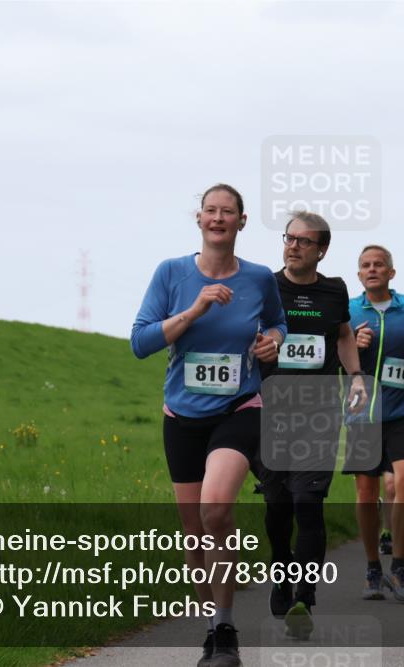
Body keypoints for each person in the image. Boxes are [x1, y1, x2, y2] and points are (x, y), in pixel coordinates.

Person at [131, 184, 287, 667]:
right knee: (195, 530)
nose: (218, 218)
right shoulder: (171, 273)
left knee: (216, 509)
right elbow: (140, 342)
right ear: (199, 219)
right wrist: (194, 310)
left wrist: (272, 343)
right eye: (211, 211)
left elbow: (278, 323)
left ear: (242, 222)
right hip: (181, 416)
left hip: (239, 409)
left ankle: (225, 630)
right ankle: (209, 626)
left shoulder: (260, 278)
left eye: (229, 212)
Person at [253, 211, 367, 639]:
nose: (293, 245)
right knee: (277, 506)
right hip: (270, 411)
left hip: (319, 412)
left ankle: (305, 592)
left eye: (304, 241)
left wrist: (355, 375)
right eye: (289, 238)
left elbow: (341, 334)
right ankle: (281, 573)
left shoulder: (335, 290)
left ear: (322, 249)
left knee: (308, 503)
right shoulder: (265, 285)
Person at [344, 245, 404, 603]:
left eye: (379, 265)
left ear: (391, 273)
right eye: (366, 265)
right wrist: (353, 341)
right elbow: (337, 352)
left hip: (403, 409)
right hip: (363, 412)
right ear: (359, 274)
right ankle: (371, 569)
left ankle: (398, 565)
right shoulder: (348, 309)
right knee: (366, 493)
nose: (373, 269)